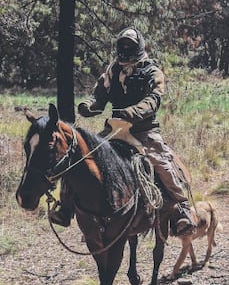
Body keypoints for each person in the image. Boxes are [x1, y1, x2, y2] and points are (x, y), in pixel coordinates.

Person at [49, 27, 196, 236]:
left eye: (130, 46)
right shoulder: (113, 69)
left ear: (139, 47)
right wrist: (89, 106)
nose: (126, 49)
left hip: (144, 131)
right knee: (80, 157)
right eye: (123, 45)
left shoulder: (153, 72)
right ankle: (66, 209)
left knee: (161, 162)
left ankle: (182, 210)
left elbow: (153, 101)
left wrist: (133, 112)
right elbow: (99, 95)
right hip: (114, 129)